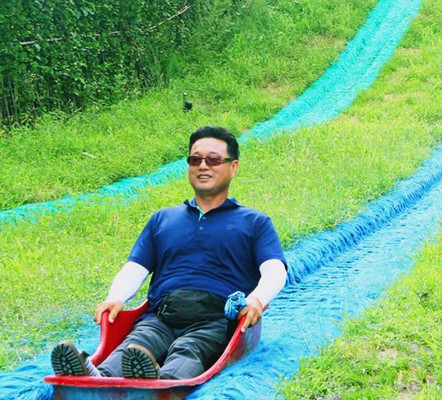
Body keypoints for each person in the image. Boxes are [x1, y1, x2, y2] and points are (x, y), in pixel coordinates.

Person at [50, 126, 288, 380]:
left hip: (215, 320)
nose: (203, 166)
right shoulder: (163, 219)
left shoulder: (254, 222)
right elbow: (136, 267)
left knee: (188, 350)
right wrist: (115, 297)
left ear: (233, 167)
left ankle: (162, 382)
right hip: (162, 315)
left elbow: (275, 269)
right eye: (195, 159)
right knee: (137, 344)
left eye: (214, 159)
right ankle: (96, 376)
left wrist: (257, 300)